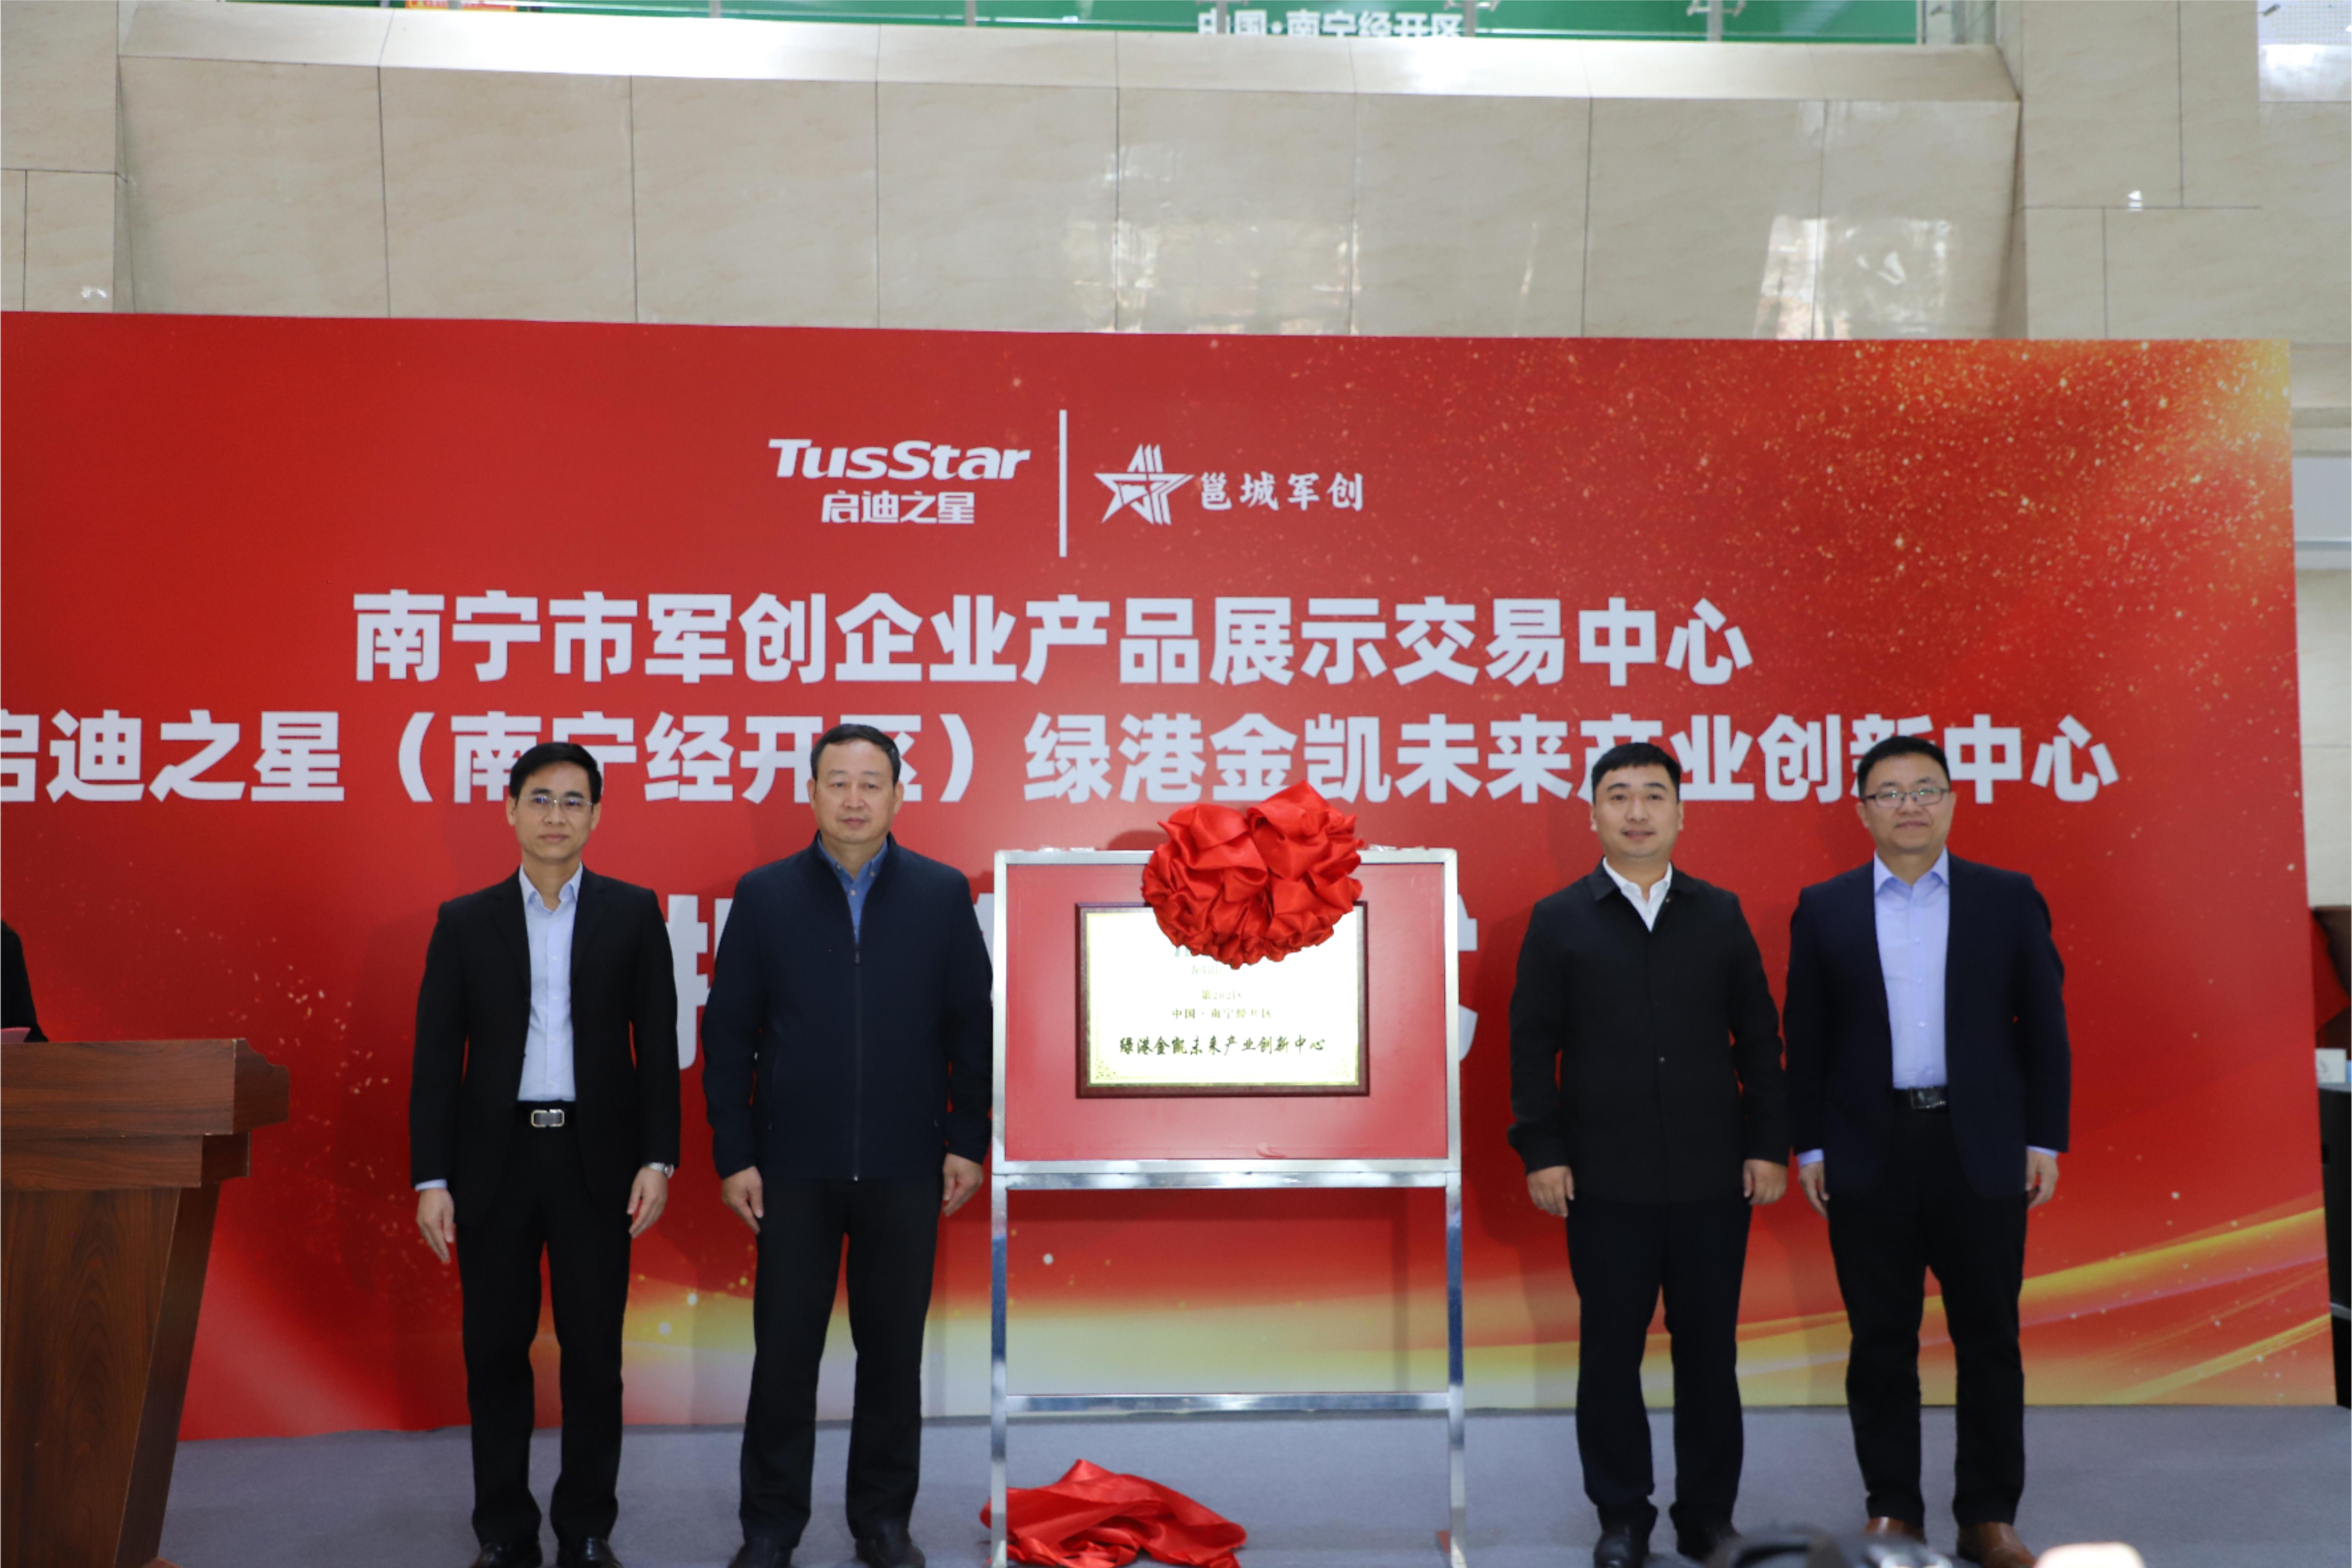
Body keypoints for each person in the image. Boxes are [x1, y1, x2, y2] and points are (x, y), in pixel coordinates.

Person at [703, 723, 992, 1568]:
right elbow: (729, 1034)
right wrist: (735, 1152)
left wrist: (966, 1139)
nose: (855, 799)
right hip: (792, 1166)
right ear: (813, 792)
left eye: (872, 783)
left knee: (893, 1353)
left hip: (907, 1163)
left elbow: (971, 1027)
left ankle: (883, 1521)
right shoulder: (766, 895)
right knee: (784, 1353)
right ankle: (770, 1526)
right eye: (838, 782)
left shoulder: (941, 894)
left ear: (899, 795)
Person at [1784, 734, 2069, 1568]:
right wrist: (1810, 1147)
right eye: (1890, 792)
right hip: (1867, 1147)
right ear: (1862, 809)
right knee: (1880, 1340)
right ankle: (1894, 1513)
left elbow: (2044, 1027)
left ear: (1950, 800)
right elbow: (1807, 1034)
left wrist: (2043, 1137)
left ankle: (1989, 1516)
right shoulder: (1825, 906)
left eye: (1925, 789)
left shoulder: (2007, 897)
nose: (1909, 805)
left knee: (1990, 1337)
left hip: (1980, 1146)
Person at [1507, 741, 1790, 1568]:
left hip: (1713, 1175)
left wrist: (1767, 1143)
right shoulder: (1560, 918)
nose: (1638, 812)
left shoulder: (1720, 913)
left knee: (1710, 1353)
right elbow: (1532, 1046)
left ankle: (1708, 1519)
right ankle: (1622, 1516)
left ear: (1680, 812)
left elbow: (1760, 1040)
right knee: (1609, 1353)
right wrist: (1543, 1151)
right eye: (1620, 795)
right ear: (1594, 812)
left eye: (1654, 795)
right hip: (1603, 1179)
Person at [409, 742, 680, 1568]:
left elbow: (657, 1045)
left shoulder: (633, 913)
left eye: (572, 801)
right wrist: (432, 1177)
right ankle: (504, 1531)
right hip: (494, 1164)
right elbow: (436, 1058)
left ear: (596, 814)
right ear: (510, 809)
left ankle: (587, 1528)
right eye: (540, 798)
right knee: (495, 1351)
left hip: (597, 1163)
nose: (555, 815)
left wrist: (659, 1159)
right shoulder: (465, 921)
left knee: (595, 1354)